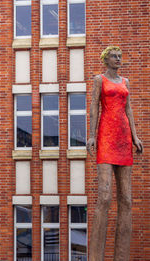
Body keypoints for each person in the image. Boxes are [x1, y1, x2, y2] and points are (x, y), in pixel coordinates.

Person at [87, 46, 143, 261]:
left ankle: (121, 257)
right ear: (106, 60)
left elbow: (128, 109)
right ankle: (96, 257)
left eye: (120, 56)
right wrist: (91, 135)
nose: (118, 59)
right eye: (114, 56)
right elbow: (94, 107)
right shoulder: (99, 80)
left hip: (123, 138)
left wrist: (135, 137)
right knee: (104, 196)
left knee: (126, 200)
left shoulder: (125, 82)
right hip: (106, 137)